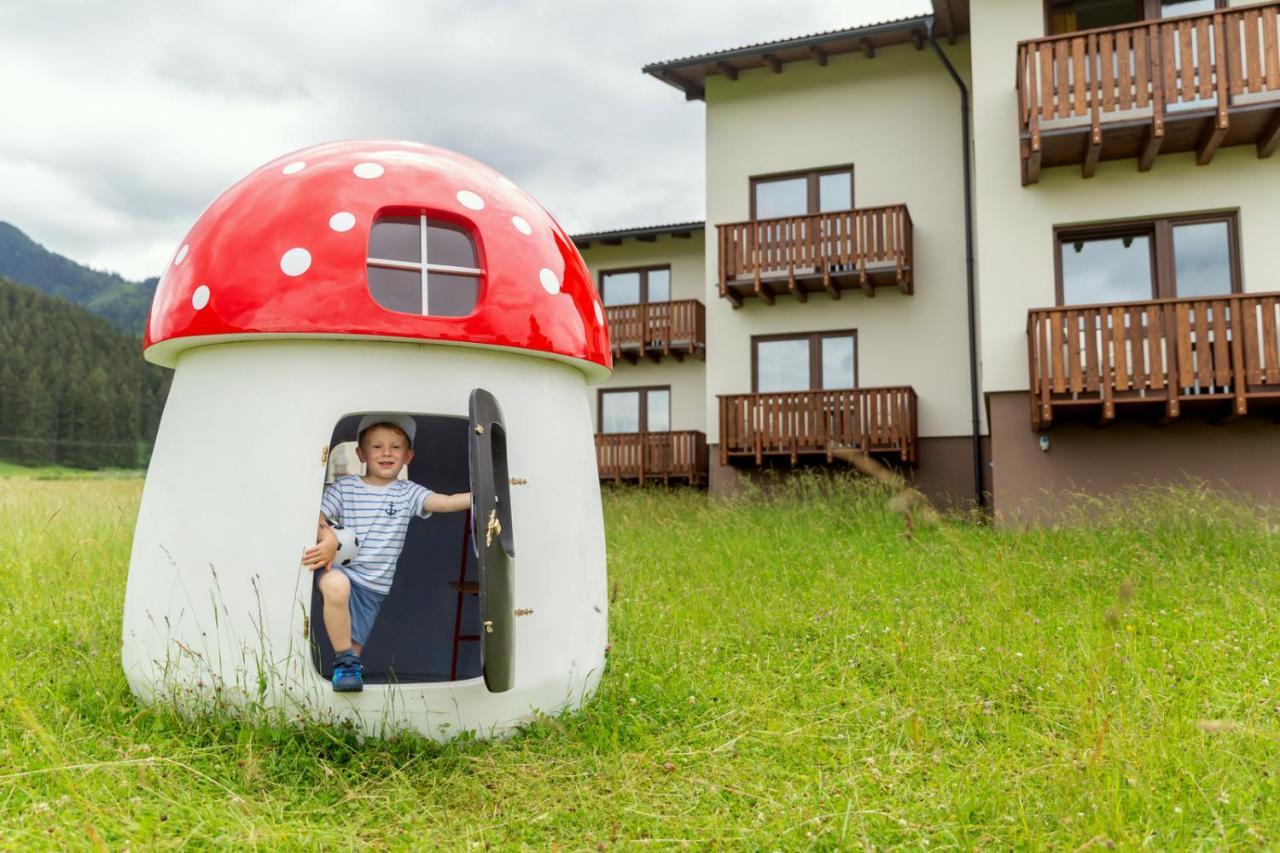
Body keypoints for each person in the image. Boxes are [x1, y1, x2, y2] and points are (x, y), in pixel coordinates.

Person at [303, 414, 470, 692]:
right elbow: (315, 516)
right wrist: (328, 537)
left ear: (408, 456)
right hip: (341, 569)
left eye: (395, 447)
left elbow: (446, 502)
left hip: (374, 585)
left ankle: (346, 676)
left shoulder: (408, 493)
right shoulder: (345, 488)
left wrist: (485, 496)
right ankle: (344, 661)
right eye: (377, 446)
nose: (386, 453)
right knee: (336, 586)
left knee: (354, 647)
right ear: (361, 453)